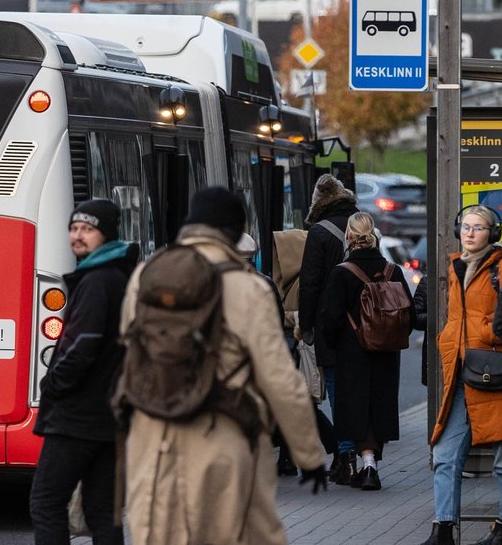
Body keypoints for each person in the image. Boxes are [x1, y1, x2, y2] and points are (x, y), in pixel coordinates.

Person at [118, 187, 327, 545]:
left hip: (153, 439)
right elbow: (280, 379)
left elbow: (126, 352)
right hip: (224, 438)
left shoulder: (146, 276)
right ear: (234, 231)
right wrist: (308, 454)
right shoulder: (248, 287)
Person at [29, 199, 137, 545]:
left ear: (105, 234)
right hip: (107, 415)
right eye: (74, 228)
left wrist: (53, 385)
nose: (77, 236)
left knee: (46, 502)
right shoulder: (118, 275)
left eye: (87, 229)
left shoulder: (96, 282)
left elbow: (81, 347)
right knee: (102, 512)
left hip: (77, 415)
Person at [421, 205, 502, 545]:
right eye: (465, 227)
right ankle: (443, 529)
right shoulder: (456, 268)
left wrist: (482, 333)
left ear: (492, 233)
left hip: (495, 373)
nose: (469, 233)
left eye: (478, 227)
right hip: (460, 373)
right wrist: (449, 341)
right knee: (445, 454)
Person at [320, 211, 412, 491]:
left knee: (357, 407)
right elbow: (407, 312)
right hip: (386, 352)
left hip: (353, 351)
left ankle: (368, 465)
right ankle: (371, 464)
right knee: (379, 406)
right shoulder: (392, 271)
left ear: (349, 236)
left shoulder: (341, 273)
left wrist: (335, 343)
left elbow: (331, 319)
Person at [297, 173, 361, 483]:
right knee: (361, 390)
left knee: (336, 388)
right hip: (365, 324)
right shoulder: (364, 224)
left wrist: (306, 326)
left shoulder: (319, 233)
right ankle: (366, 458)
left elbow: (309, 285)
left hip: (331, 323)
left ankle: (344, 455)